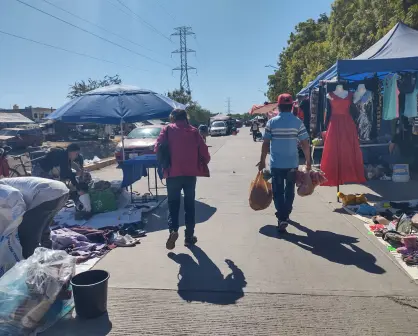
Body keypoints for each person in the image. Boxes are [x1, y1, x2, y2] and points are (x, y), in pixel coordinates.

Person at [155, 109, 211, 250]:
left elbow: (157, 148)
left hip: (172, 173)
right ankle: (189, 238)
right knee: (189, 205)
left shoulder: (167, 130)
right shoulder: (193, 131)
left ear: (173, 117)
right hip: (190, 175)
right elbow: (205, 154)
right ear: (186, 117)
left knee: (173, 204)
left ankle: (173, 230)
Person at [257, 93, 311, 233]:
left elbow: (265, 144)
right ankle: (285, 214)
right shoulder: (297, 122)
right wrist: (308, 161)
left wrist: (262, 160)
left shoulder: (271, 123)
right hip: (292, 164)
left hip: (276, 164)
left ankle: (282, 217)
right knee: (289, 190)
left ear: (279, 107)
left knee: (278, 191)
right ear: (292, 106)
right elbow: (305, 143)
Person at [0, 177, 69, 258]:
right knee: (43, 230)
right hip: (61, 192)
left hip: (45, 195)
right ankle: (49, 257)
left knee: (28, 236)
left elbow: (15, 194)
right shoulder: (6, 183)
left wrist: (18, 219)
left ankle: (30, 265)